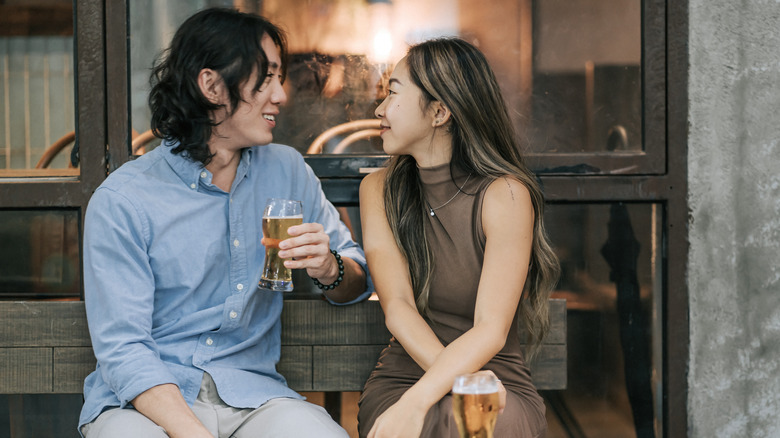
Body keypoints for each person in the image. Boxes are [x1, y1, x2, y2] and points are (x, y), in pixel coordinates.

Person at [78, 8, 370, 438]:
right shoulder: (124, 200)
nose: (281, 95)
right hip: (144, 406)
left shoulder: (286, 170)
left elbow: (357, 279)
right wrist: (193, 431)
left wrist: (330, 268)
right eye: (266, 77)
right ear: (212, 85)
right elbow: (124, 351)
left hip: (255, 398)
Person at [357, 38, 560, 438]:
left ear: (439, 112)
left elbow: (490, 329)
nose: (379, 110)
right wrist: (446, 387)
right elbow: (397, 307)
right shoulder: (379, 189)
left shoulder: (505, 195)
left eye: (393, 93)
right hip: (405, 374)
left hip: (498, 378)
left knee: (465, 423)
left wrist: (425, 401)